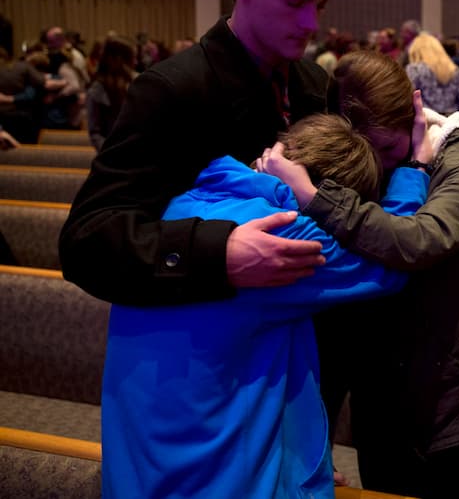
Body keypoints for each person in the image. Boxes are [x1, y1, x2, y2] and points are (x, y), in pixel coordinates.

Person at [101, 112, 431, 498]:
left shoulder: (182, 205)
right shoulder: (284, 230)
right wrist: (415, 168)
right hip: (215, 483)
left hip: (136, 472)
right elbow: (393, 256)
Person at [260, 51, 459, 499]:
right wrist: (315, 443)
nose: (379, 164)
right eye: (366, 148)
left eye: (388, 148)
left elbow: (421, 240)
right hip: (382, 399)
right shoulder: (346, 159)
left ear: (415, 113)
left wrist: (317, 196)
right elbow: (330, 314)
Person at [58, 0, 349, 306]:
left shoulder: (317, 83)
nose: (311, 23)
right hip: (213, 326)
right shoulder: (169, 89)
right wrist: (217, 254)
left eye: (319, 6)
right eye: (295, 1)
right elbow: (86, 241)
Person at [86, 35, 137, 150]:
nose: (136, 62)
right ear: (120, 60)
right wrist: (113, 153)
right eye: (133, 57)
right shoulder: (98, 90)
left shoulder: (138, 84)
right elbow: (95, 133)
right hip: (111, 153)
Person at [405, 32, 459, 116]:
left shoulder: (414, 69)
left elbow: (409, 99)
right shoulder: (453, 69)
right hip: (451, 119)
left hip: (426, 119)